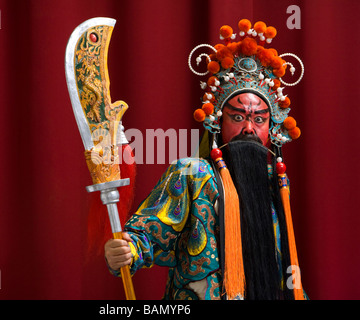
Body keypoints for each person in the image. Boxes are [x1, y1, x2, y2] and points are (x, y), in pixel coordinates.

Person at [104, 19, 306, 300]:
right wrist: (127, 248)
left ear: (271, 129)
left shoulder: (274, 186)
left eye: (259, 119)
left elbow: (285, 268)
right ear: (216, 123)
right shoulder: (193, 173)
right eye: (237, 117)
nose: (249, 128)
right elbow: (149, 233)